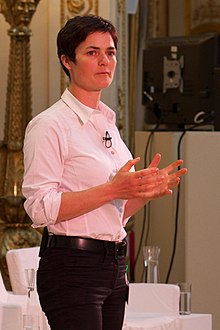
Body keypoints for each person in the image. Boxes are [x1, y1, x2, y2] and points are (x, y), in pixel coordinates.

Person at [22, 15, 187, 330]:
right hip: (72, 267)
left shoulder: (107, 124)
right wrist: (113, 189)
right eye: (92, 52)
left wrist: (144, 192)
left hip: (113, 266)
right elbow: (40, 208)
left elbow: (114, 214)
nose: (104, 61)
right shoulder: (50, 125)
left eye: (110, 52)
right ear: (67, 60)